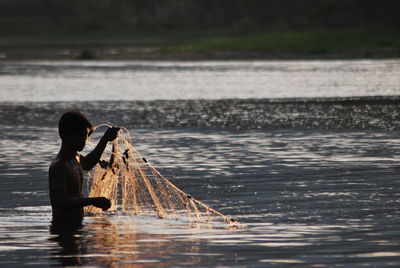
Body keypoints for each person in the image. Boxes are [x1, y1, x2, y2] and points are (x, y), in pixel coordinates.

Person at [48, 110, 120, 226]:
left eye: (85, 136)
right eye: (82, 136)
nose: (85, 141)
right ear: (67, 136)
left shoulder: (75, 159)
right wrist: (93, 201)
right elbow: (61, 201)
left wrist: (105, 139)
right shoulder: (59, 166)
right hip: (62, 228)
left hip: (77, 225)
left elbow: (89, 162)